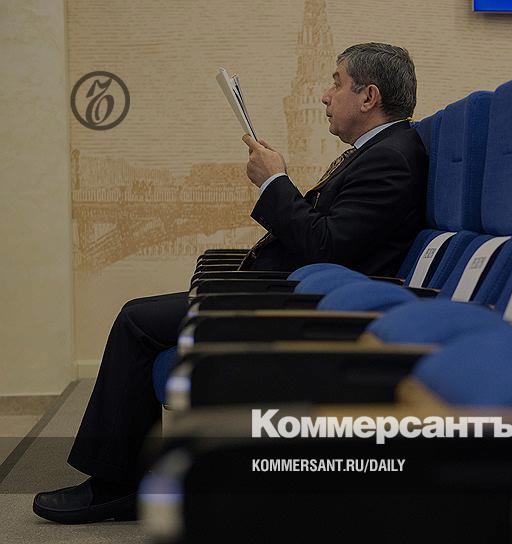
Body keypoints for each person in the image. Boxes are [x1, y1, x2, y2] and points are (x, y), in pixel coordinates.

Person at [33, 43, 428, 524]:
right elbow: (329, 236)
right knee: (142, 319)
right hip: (291, 293)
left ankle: (116, 486)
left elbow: (327, 246)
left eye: (336, 82)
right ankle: (126, 477)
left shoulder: (391, 158)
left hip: (309, 310)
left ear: (368, 97)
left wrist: (274, 183)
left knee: (137, 320)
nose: (325, 95)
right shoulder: (378, 152)